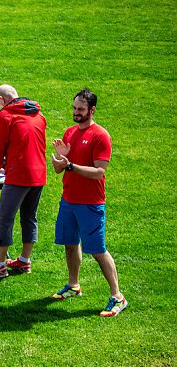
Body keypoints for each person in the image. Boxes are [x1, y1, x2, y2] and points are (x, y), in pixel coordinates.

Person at [51, 88, 127, 317]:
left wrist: (70, 165)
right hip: (69, 200)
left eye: (81, 109)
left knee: (97, 250)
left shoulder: (100, 136)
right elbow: (59, 169)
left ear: (92, 110)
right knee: (70, 243)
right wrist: (60, 161)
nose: (76, 112)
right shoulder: (69, 132)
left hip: (91, 204)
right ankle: (73, 285)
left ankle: (118, 296)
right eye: (74, 108)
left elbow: (98, 172)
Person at [0, 84, 47, 279]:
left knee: (5, 218)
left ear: (2, 99)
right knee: (29, 217)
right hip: (39, 173)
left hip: (19, 174)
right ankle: (24, 260)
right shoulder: (38, 114)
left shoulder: (5, 115)